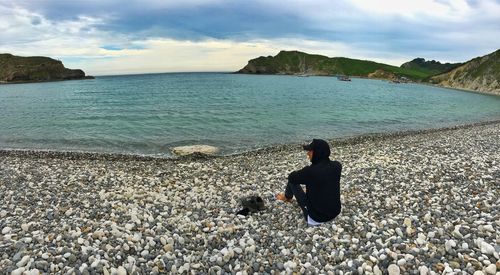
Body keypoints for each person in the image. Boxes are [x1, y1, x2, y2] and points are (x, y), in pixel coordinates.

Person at [276, 139, 342, 225]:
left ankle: (287, 197)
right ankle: (288, 197)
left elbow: (291, 177)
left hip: (316, 218)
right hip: (334, 212)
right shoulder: (337, 165)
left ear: (317, 152)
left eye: (310, 151)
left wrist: (305, 171)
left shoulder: (310, 171)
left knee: (292, 181)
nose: (308, 154)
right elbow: (324, 178)